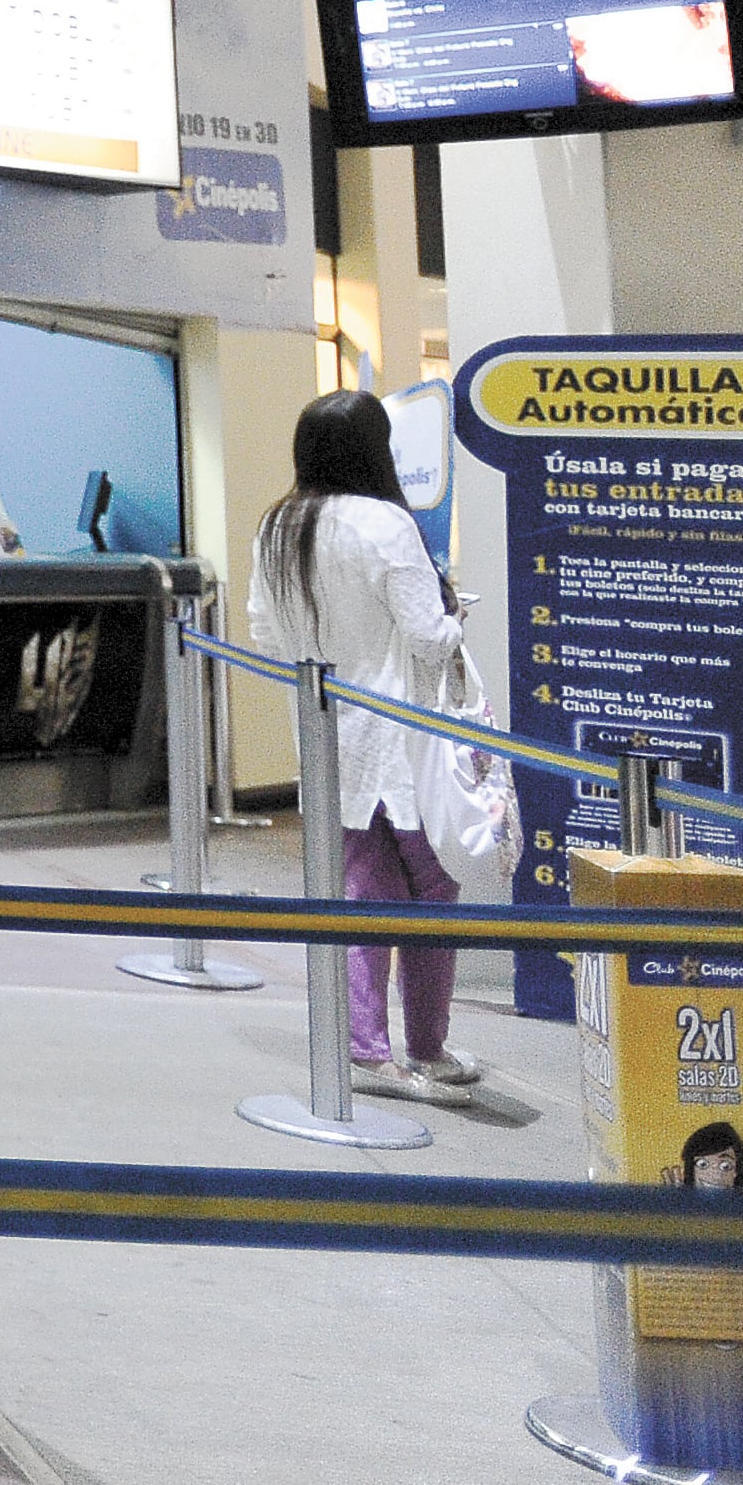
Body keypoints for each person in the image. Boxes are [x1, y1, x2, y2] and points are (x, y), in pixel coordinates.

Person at [247, 387, 484, 1104]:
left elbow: (263, 634)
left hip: (327, 738)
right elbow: (429, 638)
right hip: (400, 743)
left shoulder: (278, 525)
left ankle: (366, 1048)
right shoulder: (386, 523)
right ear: (376, 450)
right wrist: (455, 615)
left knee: (361, 889)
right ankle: (427, 1049)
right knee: (433, 887)